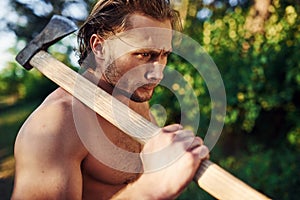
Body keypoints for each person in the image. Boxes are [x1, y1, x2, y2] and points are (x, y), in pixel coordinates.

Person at [12, 0, 209, 199]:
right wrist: (150, 188)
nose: (157, 74)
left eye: (164, 55)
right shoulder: (55, 125)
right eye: (144, 54)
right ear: (99, 47)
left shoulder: (133, 94)